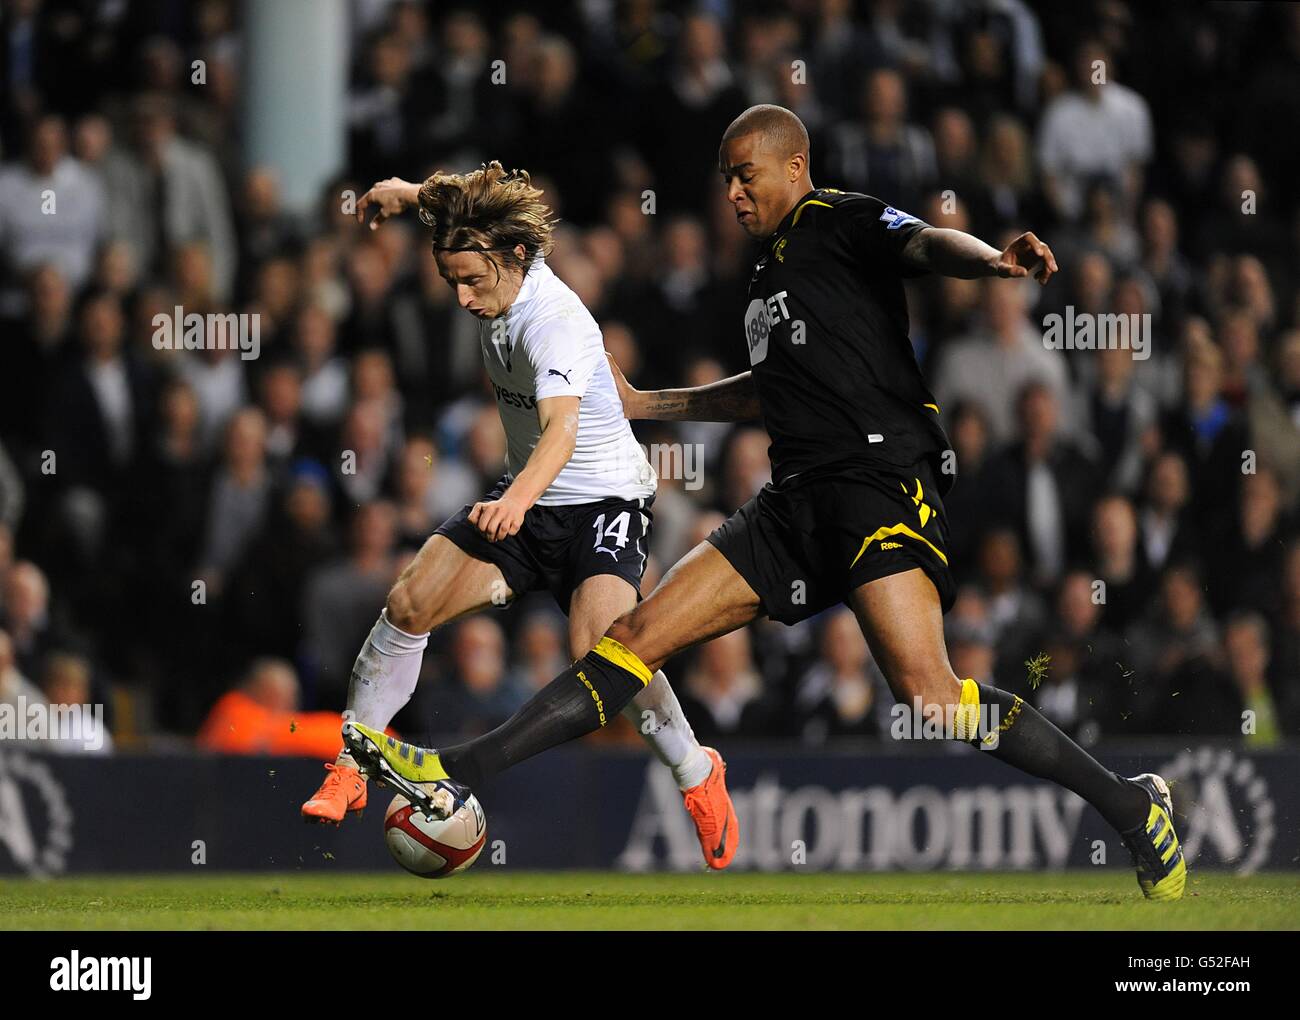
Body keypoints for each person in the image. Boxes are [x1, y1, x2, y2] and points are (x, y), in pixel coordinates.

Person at [346, 107, 1185, 901]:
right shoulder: (762, 283)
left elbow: (927, 243)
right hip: (793, 503)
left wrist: (992, 262)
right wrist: (654, 406)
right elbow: (766, 393)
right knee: (629, 638)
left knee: (930, 697)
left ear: (797, 164)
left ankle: (1129, 804)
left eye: (747, 176)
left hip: (876, 484)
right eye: (725, 181)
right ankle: (457, 770)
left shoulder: (840, 219)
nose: (734, 194)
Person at [302, 163, 736, 869]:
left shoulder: (554, 322)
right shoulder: (482, 246)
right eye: (452, 284)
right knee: (410, 600)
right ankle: (354, 762)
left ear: (516, 259)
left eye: (474, 280)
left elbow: (560, 433)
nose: (465, 297)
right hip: (529, 497)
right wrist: (405, 195)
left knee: (606, 650)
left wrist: (514, 500)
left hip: (601, 501)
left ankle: (696, 772)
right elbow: (450, 200)